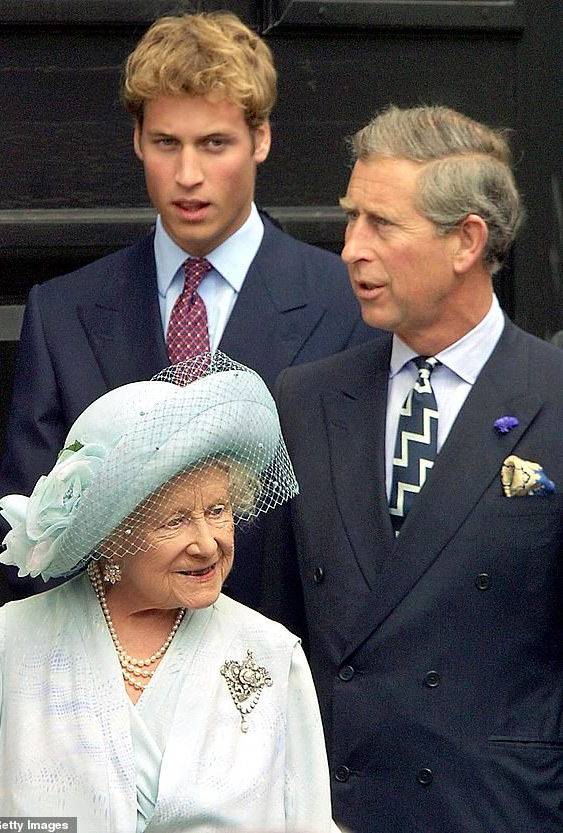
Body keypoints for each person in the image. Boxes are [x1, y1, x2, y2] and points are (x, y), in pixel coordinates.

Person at [0, 11, 376, 608]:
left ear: (261, 139)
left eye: (214, 143)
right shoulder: (63, 313)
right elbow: (29, 548)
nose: (188, 175)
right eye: (166, 144)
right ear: (137, 141)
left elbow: (361, 540)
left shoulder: (344, 305)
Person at [261, 104, 563, 832]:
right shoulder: (305, 400)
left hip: (500, 811)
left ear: (467, 241)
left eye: (381, 224)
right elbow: (274, 629)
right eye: (351, 218)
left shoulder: (554, 396)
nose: (351, 249)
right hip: (338, 809)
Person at [0, 352, 336, 833]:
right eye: (176, 520)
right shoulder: (6, 647)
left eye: (219, 510)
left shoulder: (272, 656)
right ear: (112, 533)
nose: (207, 543)